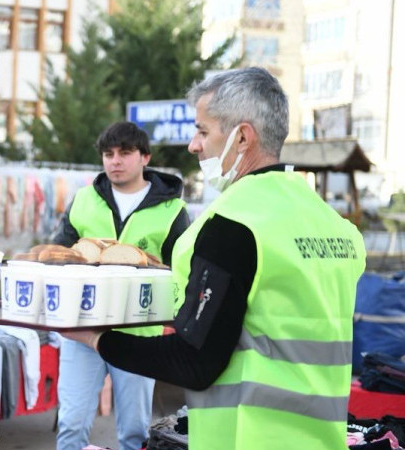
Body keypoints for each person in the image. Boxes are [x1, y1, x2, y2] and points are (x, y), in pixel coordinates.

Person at [64, 67, 366, 449]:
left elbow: (194, 361)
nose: (193, 145)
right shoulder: (334, 225)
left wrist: (95, 339)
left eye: (203, 131)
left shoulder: (233, 223)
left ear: (242, 137)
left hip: (247, 437)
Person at [52, 121, 189, 450]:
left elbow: (183, 272)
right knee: (71, 426)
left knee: (134, 432)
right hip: (81, 331)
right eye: (108, 154)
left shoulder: (173, 210)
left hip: (139, 335)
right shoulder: (84, 199)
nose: (115, 161)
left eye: (125, 153)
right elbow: (58, 257)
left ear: (145, 157)